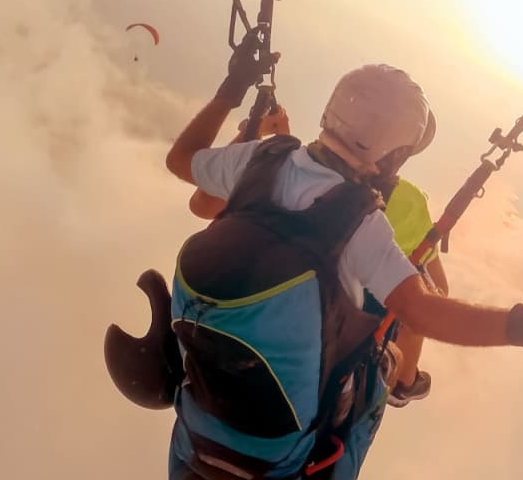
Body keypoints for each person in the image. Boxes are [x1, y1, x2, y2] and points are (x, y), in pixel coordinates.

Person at [154, 39, 523, 480]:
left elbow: (181, 161)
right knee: (379, 358)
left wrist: (231, 91)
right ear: (392, 155)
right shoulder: (362, 224)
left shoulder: (256, 161)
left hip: (200, 422)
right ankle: (401, 384)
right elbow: (424, 310)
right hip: (282, 469)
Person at [187, 104, 445, 406]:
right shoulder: (408, 204)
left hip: (235, 304)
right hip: (321, 339)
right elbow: (437, 290)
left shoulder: (287, 167)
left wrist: (255, 136)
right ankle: (403, 384)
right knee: (417, 304)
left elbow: (205, 205)